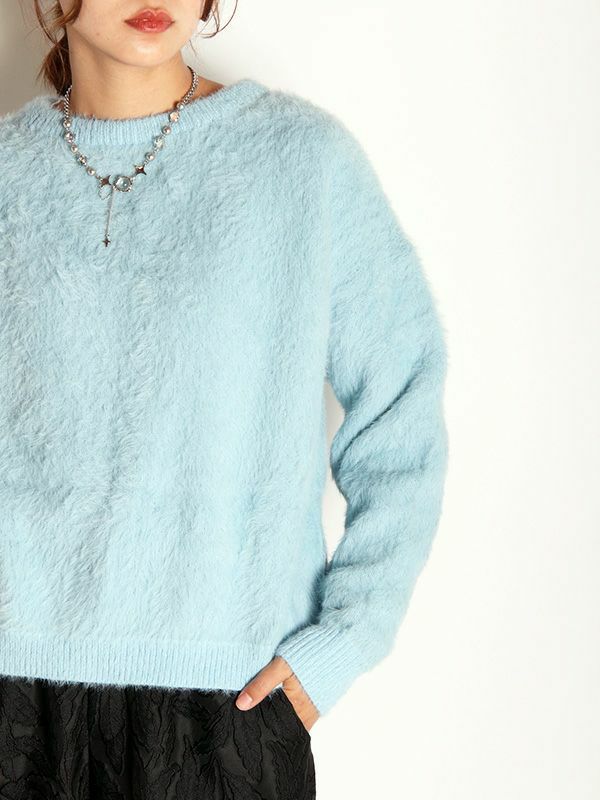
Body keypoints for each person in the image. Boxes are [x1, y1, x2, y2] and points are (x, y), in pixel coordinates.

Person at [0, 1, 449, 798]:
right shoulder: (8, 173)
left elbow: (402, 406)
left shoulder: (300, 163)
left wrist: (346, 638)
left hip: (227, 705)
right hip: (13, 701)